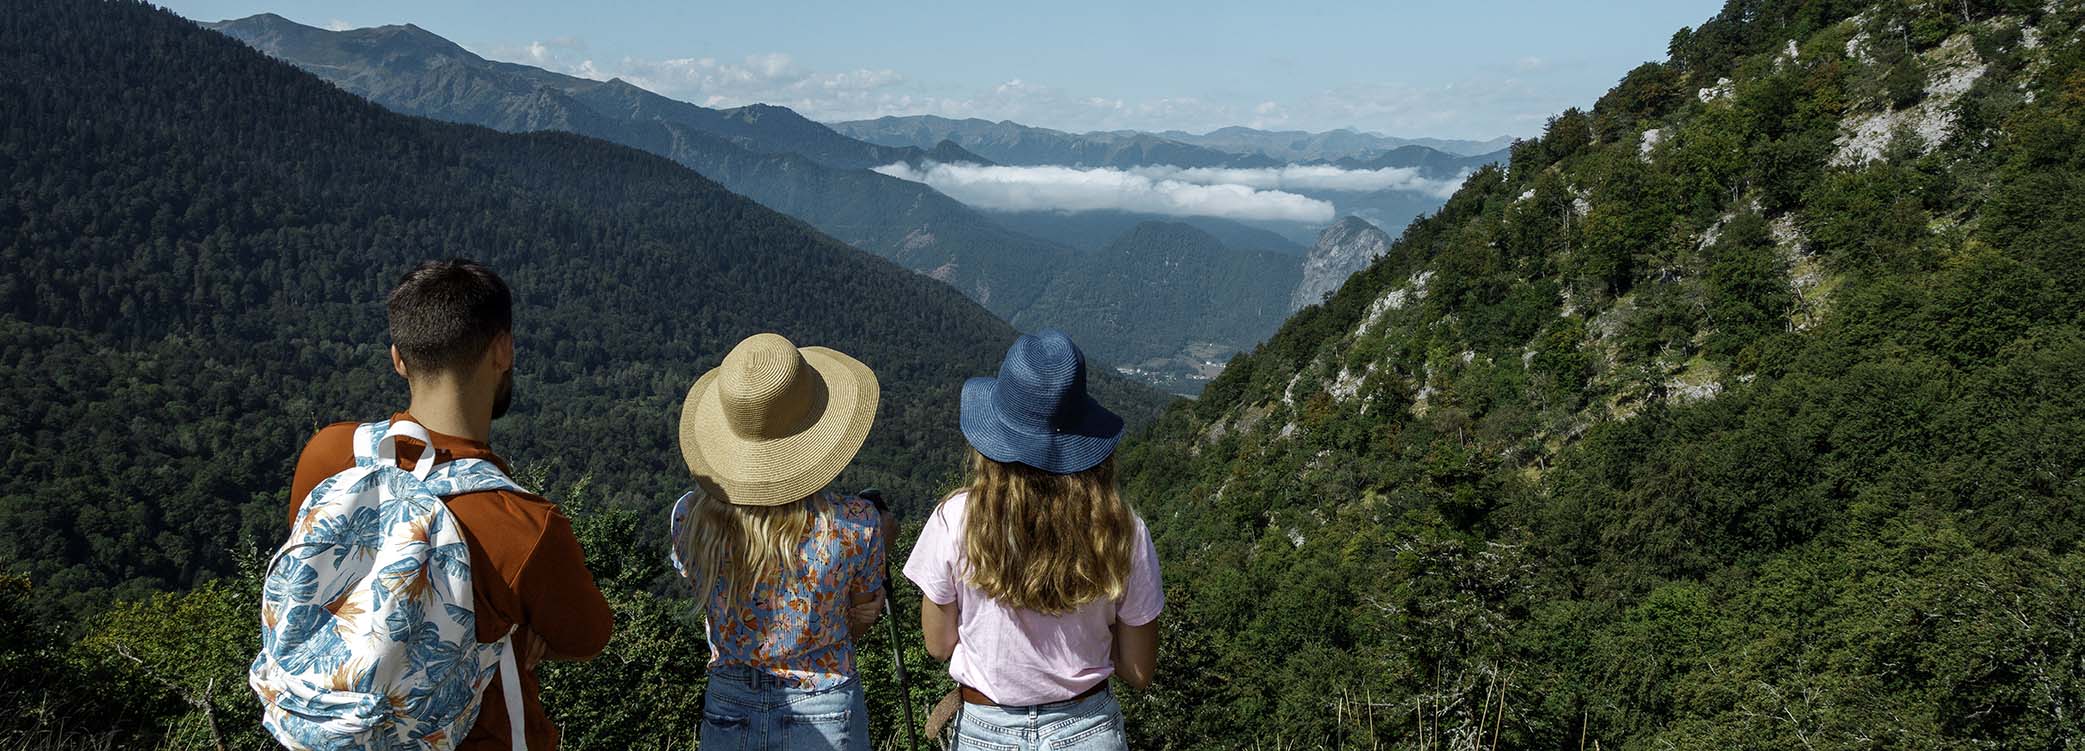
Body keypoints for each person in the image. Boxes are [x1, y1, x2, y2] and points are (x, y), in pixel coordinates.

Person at [287, 259, 614, 749]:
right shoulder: (524, 527)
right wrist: (521, 627)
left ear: (398, 358)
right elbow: (587, 636)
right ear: (502, 351)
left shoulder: (331, 455)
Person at [903, 329, 1163, 751]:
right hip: (1088, 730)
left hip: (986, 729)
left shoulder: (955, 519)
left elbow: (938, 644)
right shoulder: (1123, 530)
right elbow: (1138, 670)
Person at [669, 332, 887, 751]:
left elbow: (703, 585)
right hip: (824, 699)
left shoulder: (688, 518)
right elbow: (862, 614)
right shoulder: (858, 524)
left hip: (729, 699)